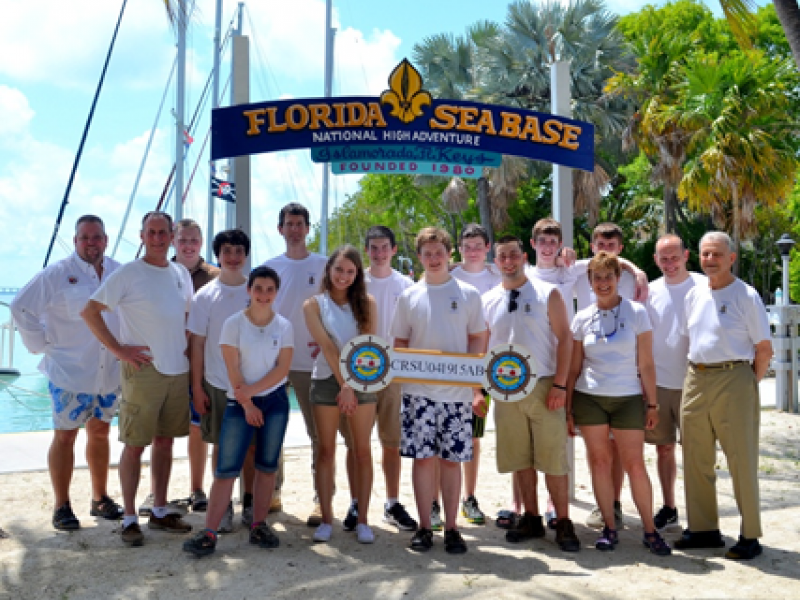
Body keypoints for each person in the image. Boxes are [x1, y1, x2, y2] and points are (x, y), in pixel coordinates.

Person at [82, 211, 193, 547]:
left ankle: (158, 509)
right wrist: (119, 350)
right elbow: (89, 311)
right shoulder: (129, 273)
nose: (158, 238)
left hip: (178, 370)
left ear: (173, 235)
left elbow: (185, 316)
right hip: (144, 371)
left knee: (165, 442)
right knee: (134, 446)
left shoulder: (179, 273)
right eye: (152, 232)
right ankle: (130, 517)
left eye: (164, 232)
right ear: (142, 236)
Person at [12, 215, 123, 530]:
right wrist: (40, 344)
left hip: (108, 372)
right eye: (85, 237)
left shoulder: (118, 272)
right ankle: (61, 506)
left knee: (101, 433)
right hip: (69, 372)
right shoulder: (57, 274)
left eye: (97, 237)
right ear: (76, 241)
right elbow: (21, 306)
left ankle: (100, 498)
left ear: (106, 239)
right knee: (65, 437)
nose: (92, 243)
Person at [183, 266, 294, 557]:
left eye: (270, 289)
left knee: (267, 466)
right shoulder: (233, 324)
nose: (263, 295)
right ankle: (209, 532)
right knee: (226, 468)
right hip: (238, 402)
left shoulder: (284, 326)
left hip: (274, 403)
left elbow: (282, 369)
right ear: (249, 290)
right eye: (258, 288)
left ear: (276, 292)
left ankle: (258, 524)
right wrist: (245, 403)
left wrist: (253, 396)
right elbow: (232, 368)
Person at [675, 232, 772, 560]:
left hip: (734, 378)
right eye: (704, 254)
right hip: (696, 377)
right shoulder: (694, 295)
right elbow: (691, 339)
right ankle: (704, 529)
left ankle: (750, 534)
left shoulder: (746, 296)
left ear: (731, 258)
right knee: (695, 457)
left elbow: (764, 349)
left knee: (741, 459)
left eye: (717, 254)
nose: (710, 260)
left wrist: (746, 383)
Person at [566, 252, 671, 556]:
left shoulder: (637, 313)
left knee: (634, 464)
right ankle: (609, 527)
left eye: (608, 277)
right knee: (599, 462)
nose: (602, 283)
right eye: (596, 277)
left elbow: (647, 364)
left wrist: (652, 404)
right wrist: (569, 409)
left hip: (628, 398)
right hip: (590, 398)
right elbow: (575, 367)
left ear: (618, 279)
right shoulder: (582, 317)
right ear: (590, 282)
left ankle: (650, 530)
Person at [391, 227, 488, 554]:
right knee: (422, 460)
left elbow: (478, 338)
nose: (433, 259)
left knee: (451, 462)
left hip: (457, 396)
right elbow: (400, 343)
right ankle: (423, 527)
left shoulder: (468, 294)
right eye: (427, 253)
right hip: (418, 395)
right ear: (419, 256)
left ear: (450, 254)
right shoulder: (408, 297)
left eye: (439, 252)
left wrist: (476, 388)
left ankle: (451, 528)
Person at [483, 235, 581, 552]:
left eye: (514, 255)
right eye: (502, 256)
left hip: (544, 385)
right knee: (520, 458)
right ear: (495, 262)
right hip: (505, 390)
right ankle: (531, 517)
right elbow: (481, 348)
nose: (508, 261)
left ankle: (564, 521)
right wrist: (479, 392)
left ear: (524, 257)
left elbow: (566, 339)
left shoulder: (546, 292)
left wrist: (561, 385)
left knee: (554, 459)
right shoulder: (488, 301)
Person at [264, 203, 353, 527]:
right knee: (271, 431)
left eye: (300, 223)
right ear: (281, 229)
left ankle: (321, 500)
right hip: (273, 361)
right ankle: (271, 492)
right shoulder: (269, 267)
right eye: (289, 223)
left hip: (312, 363)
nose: (295, 229)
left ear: (307, 227)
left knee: (320, 436)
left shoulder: (324, 265)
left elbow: (336, 307)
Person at [564, 222, 648, 530]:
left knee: (620, 451)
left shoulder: (629, 278)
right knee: (597, 452)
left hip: (623, 379)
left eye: (611, 245)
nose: (605, 249)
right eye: (600, 243)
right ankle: (604, 507)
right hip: (589, 373)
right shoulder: (580, 269)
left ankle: (614, 502)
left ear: (621, 249)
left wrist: (635, 270)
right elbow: (549, 270)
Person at [139, 218, 221, 517]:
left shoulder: (216, 276)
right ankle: (156, 492)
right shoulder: (158, 270)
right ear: (174, 240)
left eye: (194, 240)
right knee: (161, 433)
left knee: (199, 428)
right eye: (183, 240)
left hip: (201, 365)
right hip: (165, 363)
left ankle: (197, 489)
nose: (188, 245)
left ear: (201, 243)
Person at [303, 245, 378, 544]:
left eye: (350, 271)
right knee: (326, 451)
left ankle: (362, 520)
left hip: (363, 379)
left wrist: (352, 385)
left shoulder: (368, 303)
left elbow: (365, 344)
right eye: (338, 270)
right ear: (329, 270)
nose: (343, 276)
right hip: (325, 379)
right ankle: (326, 519)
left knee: (361, 451)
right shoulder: (313, 305)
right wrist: (345, 385)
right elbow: (328, 346)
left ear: (357, 273)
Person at [186, 229, 253, 533]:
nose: (233, 257)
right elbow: (197, 345)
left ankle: (250, 502)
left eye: (238, 251)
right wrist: (197, 387)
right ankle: (222, 505)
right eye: (227, 251)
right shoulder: (205, 296)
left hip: (254, 383)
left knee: (251, 447)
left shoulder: (257, 291)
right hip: (216, 382)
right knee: (220, 447)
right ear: (218, 255)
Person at [645, 234, 705, 531]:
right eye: (663, 258)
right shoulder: (649, 291)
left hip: (697, 383)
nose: (669, 264)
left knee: (696, 452)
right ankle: (669, 507)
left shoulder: (705, 286)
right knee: (664, 449)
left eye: (674, 257)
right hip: (659, 384)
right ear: (656, 260)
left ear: (686, 255)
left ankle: (700, 513)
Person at [363, 226, 418, 532]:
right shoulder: (356, 282)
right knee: (358, 443)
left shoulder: (407, 285)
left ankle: (392, 502)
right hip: (361, 371)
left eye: (384, 247)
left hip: (395, 373)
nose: (379, 252)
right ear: (367, 250)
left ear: (394, 250)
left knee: (391, 442)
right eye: (374, 247)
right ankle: (357, 504)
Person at [449, 223, 500, 528]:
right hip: (454, 366)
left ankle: (469, 496)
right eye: (467, 246)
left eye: (478, 246)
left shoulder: (499, 274)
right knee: (446, 433)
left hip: (489, 366)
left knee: (472, 436)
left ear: (487, 246)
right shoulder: (450, 275)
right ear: (459, 249)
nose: (472, 251)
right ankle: (438, 502)